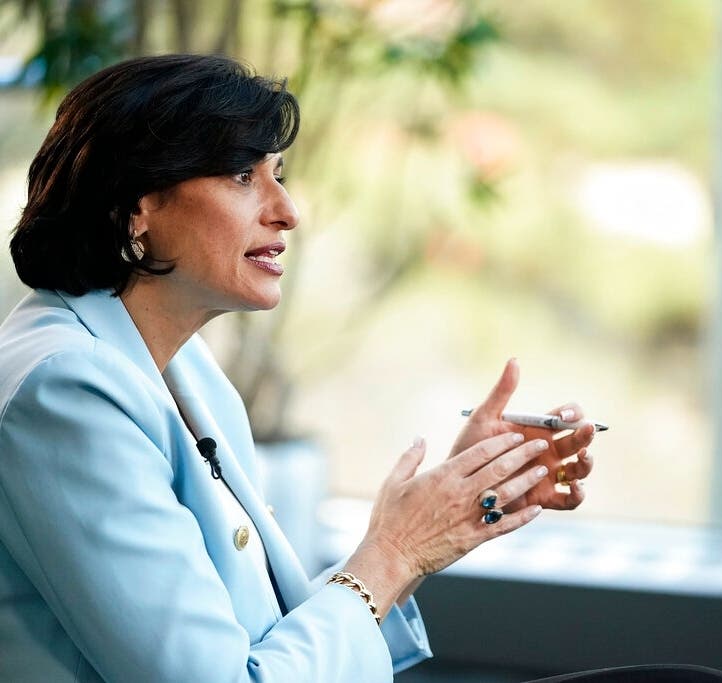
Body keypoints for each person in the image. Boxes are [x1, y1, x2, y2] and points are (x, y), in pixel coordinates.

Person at [0, 54, 596, 682]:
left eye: (276, 173)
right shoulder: (66, 390)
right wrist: (396, 549)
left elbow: (261, 634)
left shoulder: (180, 364)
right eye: (241, 175)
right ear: (137, 203)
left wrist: (444, 511)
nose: (287, 210)